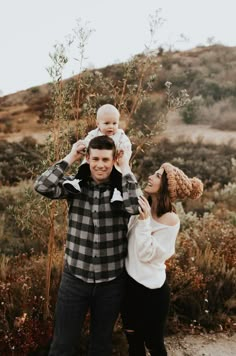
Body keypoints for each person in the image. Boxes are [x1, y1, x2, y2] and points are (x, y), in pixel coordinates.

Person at [34, 135, 140, 356]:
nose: (100, 165)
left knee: (100, 347)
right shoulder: (75, 185)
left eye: (105, 160)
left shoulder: (123, 187)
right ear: (88, 159)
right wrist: (71, 156)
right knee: (62, 346)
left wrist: (126, 165)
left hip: (110, 283)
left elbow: (133, 207)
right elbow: (42, 186)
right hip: (74, 280)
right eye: (95, 159)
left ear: (113, 160)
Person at [121, 162, 204, 356]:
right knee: (133, 344)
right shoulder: (143, 205)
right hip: (129, 287)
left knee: (154, 345)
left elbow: (146, 254)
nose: (150, 177)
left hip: (151, 293)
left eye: (157, 176)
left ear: (166, 186)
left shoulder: (170, 220)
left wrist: (143, 222)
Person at [63, 103, 132, 193]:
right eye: (107, 123)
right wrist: (83, 146)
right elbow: (87, 142)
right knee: (84, 169)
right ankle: (77, 182)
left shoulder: (120, 135)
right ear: (98, 124)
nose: (111, 126)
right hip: (92, 164)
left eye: (114, 123)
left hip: (114, 163)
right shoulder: (94, 134)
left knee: (118, 177)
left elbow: (127, 146)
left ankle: (117, 193)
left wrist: (122, 151)